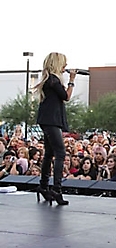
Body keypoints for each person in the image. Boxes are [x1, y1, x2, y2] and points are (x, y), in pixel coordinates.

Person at [34, 52, 76, 205]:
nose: (65, 67)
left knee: (49, 153)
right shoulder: (53, 80)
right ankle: (56, 189)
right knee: (60, 153)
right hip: (51, 120)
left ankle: (44, 186)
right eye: (63, 64)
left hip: (46, 119)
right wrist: (71, 81)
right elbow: (66, 97)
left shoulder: (49, 80)